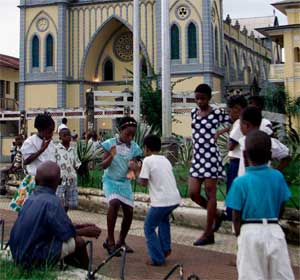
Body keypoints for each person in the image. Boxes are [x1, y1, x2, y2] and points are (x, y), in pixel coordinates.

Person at [226, 131, 295, 280]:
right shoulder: (278, 176)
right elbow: (281, 206)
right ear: (270, 155)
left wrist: (240, 236)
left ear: (244, 156)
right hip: (274, 229)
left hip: (249, 231)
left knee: (251, 275)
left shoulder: (240, 182)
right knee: (281, 274)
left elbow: (236, 216)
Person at [9, 161, 101, 270]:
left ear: (36, 181)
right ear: (60, 181)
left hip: (17, 253)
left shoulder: (31, 198)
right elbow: (66, 233)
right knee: (78, 242)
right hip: (31, 258)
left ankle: (71, 266)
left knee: (66, 241)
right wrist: (87, 231)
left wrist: (80, 227)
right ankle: (87, 273)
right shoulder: (53, 202)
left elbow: (55, 226)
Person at [189, 83, 231, 246]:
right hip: (198, 157)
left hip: (211, 157)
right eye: (197, 98)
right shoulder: (193, 113)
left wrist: (219, 132)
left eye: (203, 98)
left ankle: (208, 233)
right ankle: (218, 214)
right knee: (193, 193)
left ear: (209, 98)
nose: (199, 101)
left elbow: (232, 121)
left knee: (210, 192)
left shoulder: (217, 113)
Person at [100, 117, 142, 255]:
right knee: (114, 203)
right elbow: (102, 165)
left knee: (129, 211)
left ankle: (121, 241)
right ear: (120, 131)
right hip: (110, 181)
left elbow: (135, 167)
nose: (130, 137)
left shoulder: (135, 147)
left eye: (132, 135)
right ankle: (110, 240)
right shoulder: (110, 144)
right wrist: (111, 156)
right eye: (127, 134)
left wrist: (132, 169)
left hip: (124, 183)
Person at [138, 135, 181, 266]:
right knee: (163, 221)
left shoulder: (147, 161)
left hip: (160, 201)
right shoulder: (165, 160)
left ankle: (157, 257)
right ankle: (165, 248)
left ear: (146, 148)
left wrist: (135, 170)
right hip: (174, 198)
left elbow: (143, 182)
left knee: (148, 227)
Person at [9, 113, 56, 212]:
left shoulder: (50, 143)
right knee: (29, 210)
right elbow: (26, 161)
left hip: (48, 183)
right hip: (35, 182)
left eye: (52, 131)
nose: (51, 134)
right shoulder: (30, 142)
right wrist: (41, 150)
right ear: (41, 130)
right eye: (49, 131)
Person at [238, 106, 290, 176]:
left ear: (246, 125)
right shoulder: (245, 140)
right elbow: (286, 155)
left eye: (240, 124)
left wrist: (275, 173)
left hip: (250, 182)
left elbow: (286, 157)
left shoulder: (265, 141)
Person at [225, 95, 248, 221]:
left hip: (236, 161)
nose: (229, 115)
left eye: (230, 111)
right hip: (241, 161)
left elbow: (231, 146)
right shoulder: (244, 122)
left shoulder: (239, 123)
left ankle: (232, 216)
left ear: (237, 109)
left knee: (233, 192)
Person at [55, 128, 81, 212]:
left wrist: (77, 170)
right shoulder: (56, 149)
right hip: (60, 179)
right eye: (64, 135)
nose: (67, 137)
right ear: (60, 137)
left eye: (69, 135)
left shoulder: (73, 148)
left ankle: (64, 217)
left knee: (68, 202)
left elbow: (76, 162)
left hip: (71, 178)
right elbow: (53, 163)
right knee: (58, 199)